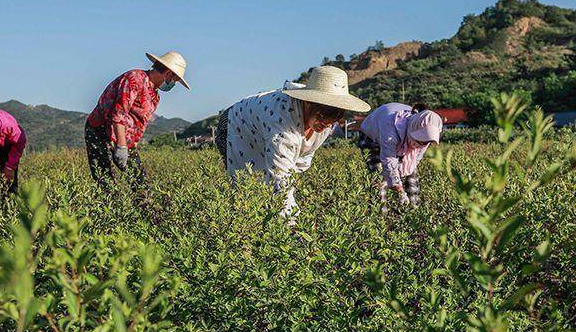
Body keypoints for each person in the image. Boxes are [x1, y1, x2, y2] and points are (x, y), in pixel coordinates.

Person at [216, 65, 370, 218]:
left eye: (332, 120)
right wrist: (292, 224)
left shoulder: (325, 124)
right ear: (308, 102)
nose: (326, 125)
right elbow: (280, 176)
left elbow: (299, 160)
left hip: (261, 134)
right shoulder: (281, 122)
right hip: (234, 125)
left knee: (266, 194)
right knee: (245, 191)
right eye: (322, 118)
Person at [85, 51, 189, 192]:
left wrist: (128, 146)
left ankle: (142, 210)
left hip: (124, 139)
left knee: (140, 184)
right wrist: (121, 148)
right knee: (105, 182)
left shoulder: (154, 96)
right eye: (175, 81)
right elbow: (119, 114)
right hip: (100, 131)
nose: (172, 84)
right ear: (169, 74)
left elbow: (138, 125)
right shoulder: (135, 79)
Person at [357, 102, 443, 210]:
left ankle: (413, 212)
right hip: (371, 137)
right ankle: (379, 217)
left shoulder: (425, 137)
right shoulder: (391, 129)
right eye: (420, 141)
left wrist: (401, 176)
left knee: (411, 177)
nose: (422, 145)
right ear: (413, 132)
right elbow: (388, 159)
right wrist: (400, 190)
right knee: (379, 177)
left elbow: (415, 160)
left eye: (425, 142)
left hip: (398, 138)